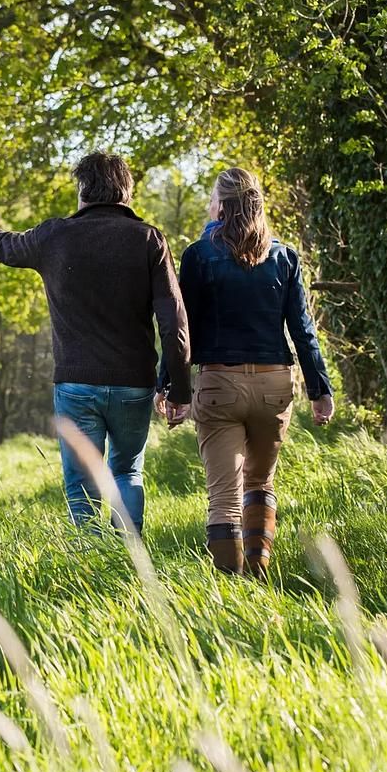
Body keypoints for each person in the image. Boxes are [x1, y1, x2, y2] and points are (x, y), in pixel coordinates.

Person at [0, 153, 192, 533]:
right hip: (133, 384)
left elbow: (5, 246)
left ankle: (92, 559)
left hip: (76, 384)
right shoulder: (148, 239)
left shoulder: (55, 236)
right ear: (126, 192)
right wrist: (178, 387)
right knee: (127, 472)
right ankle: (130, 553)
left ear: (83, 191)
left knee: (82, 484)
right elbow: (173, 320)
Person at [157, 168, 334, 577]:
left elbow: (182, 329)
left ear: (222, 206)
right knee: (260, 483)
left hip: (220, 385)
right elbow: (303, 330)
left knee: (224, 497)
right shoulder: (284, 256)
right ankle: (259, 573)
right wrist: (319, 389)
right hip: (274, 386)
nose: (208, 205)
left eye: (212, 198)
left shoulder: (198, 256)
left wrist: (170, 386)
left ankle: (234, 590)